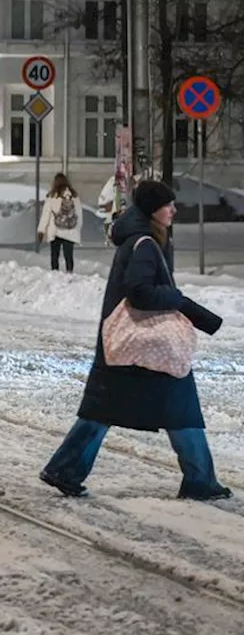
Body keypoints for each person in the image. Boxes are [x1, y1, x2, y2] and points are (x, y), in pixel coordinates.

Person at [40, 180, 231, 501]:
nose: (173, 210)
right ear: (152, 209)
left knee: (105, 411)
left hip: (132, 346)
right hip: (143, 343)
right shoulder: (143, 243)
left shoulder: (143, 238)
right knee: (179, 409)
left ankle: (67, 468)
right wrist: (179, 301)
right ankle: (199, 481)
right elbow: (140, 291)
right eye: (167, 205)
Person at [38, 173, 82, 272]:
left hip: (55, 229)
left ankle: (55, 272)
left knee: (55, 254)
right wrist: (77, 228)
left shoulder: (52, 196)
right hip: (70, 229)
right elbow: (79, 214)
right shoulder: (74, 196)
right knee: (69, 255)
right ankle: (70, 272)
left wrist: (41, 230)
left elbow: (46, 215)